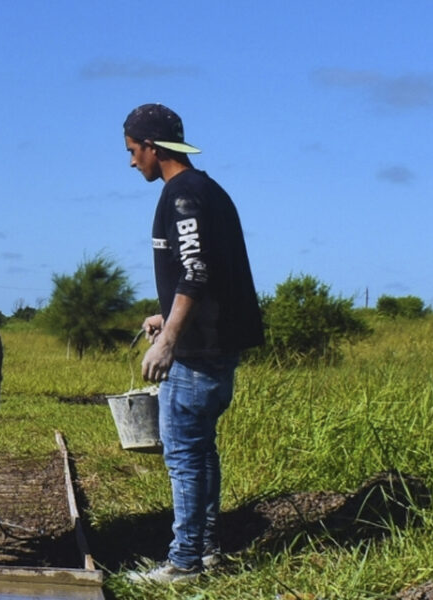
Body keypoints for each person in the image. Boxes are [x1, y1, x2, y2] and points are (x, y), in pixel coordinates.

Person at [122, 104, 264, 584]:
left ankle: (183, 564)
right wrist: (167, 314)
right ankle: (205, 552)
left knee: (183, 454)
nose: (131, 162)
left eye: (132, 152)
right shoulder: (208, 191)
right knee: (202, 451)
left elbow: (196, 271)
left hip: (198, 353)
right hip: (214, 341)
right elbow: (208, 271)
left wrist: (168, 342)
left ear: (152, 148)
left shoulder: (182, 196)